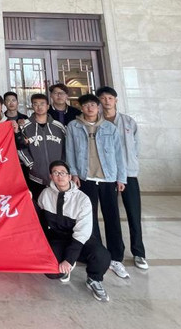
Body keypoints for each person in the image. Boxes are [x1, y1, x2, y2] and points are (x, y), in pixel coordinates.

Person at [65, 93, 129, 279]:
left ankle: (116, 258)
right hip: (85, 179)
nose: (90, 108)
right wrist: (74, 173)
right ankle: (99, 255)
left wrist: (121, 178)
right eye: (86, 105)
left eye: (93, 105)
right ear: (81, 108)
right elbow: (70, 151)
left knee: (112, 218)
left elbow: (119, 154)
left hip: (108, 178)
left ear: (98, 107)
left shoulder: (109, 127)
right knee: (89, 219)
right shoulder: (73, 126)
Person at [37, 160, 112, 302]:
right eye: (55, 173)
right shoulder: (45, 194)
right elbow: (38, 218)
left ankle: (94, 279)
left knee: (102, 256)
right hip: (58, 238)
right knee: (51, 272)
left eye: (63, 173)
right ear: (51, 176)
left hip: (80, 239)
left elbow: (82, 232)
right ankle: (66, 266)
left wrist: (69, 260)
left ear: (69, 176)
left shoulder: (82, 199)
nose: (60, 176)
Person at [97, 86, 148, 270]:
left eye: (110, 98)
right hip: (108, 175)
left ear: (116, 100)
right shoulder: (97, 122)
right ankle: (115, 252)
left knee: (134, 214)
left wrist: (130, 164)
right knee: (111, 215)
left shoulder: (128, 122)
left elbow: (136, 147)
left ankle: (139, 252)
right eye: (103, 98)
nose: (107, 101)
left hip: (128, 173)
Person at [17, 93, 66, 201]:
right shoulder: (24, 126)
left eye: (42, 104)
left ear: (48, 106)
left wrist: (63, 164)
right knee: (38, 205)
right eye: (36, 104)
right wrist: (30, 164)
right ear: (32, 106)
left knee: (59, 205)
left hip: (58, 176)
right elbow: (19, 147)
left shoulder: (58, 126)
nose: (39, 107)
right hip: (35, 176)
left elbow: (67, 148)